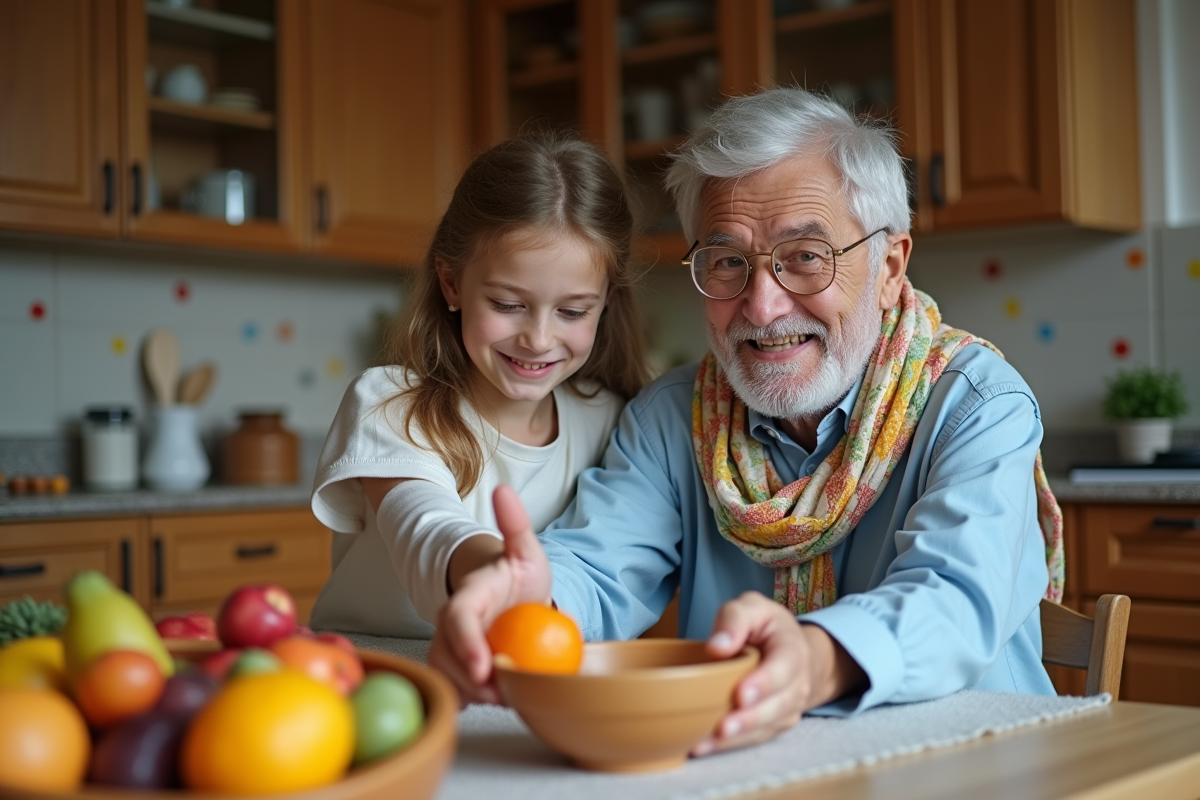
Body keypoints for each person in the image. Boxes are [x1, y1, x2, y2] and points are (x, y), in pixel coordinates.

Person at [430, 87, 1066, 755]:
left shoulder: (976, 405)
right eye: (728, 261)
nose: (761, 307)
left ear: (889, 267)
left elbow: (954, 599)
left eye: (806, 257)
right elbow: (596, 566)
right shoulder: (672, 419)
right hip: (749, 767)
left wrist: (815, 661)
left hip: (972, 764)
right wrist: (527, 604)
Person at [307, 133, 650, 638]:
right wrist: (498, 573)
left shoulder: (612, 420)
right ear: (452, 284)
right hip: (370, 675)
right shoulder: (391, 405)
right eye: (508, 304)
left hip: (504, 686)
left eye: (572, 311)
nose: (537, 338)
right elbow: (423, 525)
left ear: (606, 302)